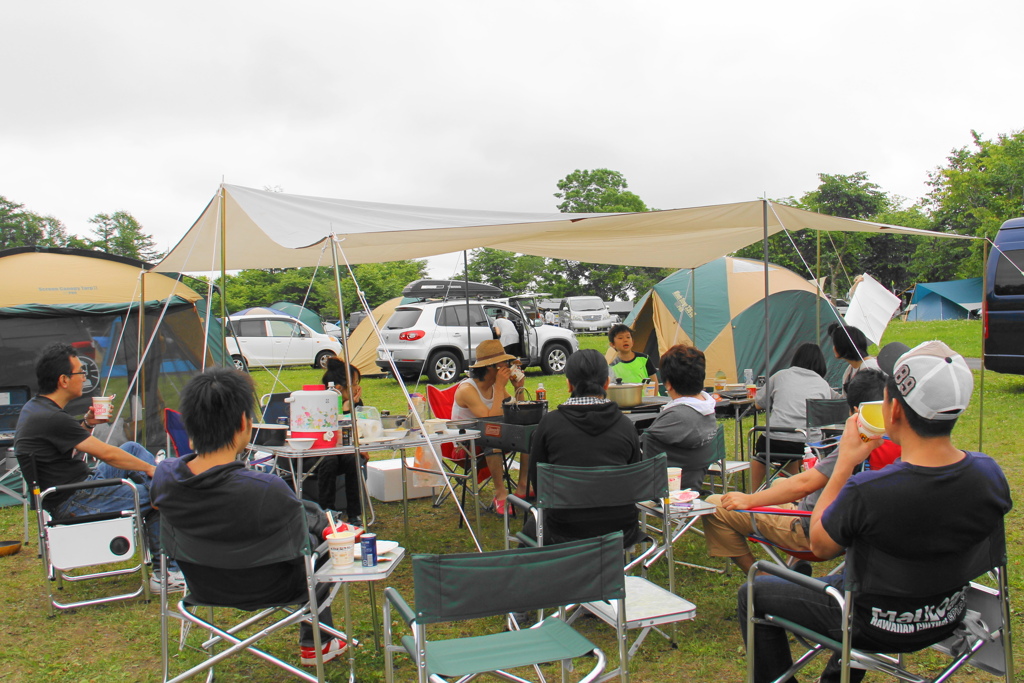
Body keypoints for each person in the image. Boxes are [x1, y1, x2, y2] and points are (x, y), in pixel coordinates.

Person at [740, 341, 1012, 683]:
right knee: (855, 580)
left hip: (869, 623)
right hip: (945, 615)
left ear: (893, 411)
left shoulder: (868, 490)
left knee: (752, 592)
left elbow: (820, 545)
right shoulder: (989, 475)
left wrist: (844, 462)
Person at [151, 367, 347, 667]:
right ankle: (317, 641)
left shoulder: (165, 478)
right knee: (321, 542)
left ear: (189, 429)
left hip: (203, 585)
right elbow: (300, 519)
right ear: (244, 423)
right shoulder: (265, 488)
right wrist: (327, 525)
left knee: (310, 524)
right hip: (276, 586)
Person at [14, 342, 183, 591]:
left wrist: (87, 423)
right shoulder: (51, 417)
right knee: (161, 494)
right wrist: (151, 470)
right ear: (63, 380)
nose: (84, 377)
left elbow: (64, 447)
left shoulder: (37, 408)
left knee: (132, 449)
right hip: (75, 501)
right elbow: (107, 454)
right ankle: (166, 574)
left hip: (75, 488)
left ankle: (165, 487)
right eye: (80, 372)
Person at [702, 368, 898, 573]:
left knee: (715, 505)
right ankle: (796, 566)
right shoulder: (898, 445)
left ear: (854, 411)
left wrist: (749, 500)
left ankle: (760, 576)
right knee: (779, 482)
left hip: (814, 530)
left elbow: (805, 485)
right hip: (857, 530)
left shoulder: (857, 445)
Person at [524, 349, 642, 546]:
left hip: (562, 529)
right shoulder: (626, 425)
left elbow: (539, 484)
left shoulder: (549, 424)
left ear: (569, 384)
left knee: (530, 528)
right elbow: (633, 479)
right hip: (620, 530)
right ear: (607, 383)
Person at [451, 339, 529, 515]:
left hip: (490, 434)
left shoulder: (495, 386)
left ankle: (523, 485)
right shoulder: (467, 389)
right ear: (491, 367)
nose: (508, 367)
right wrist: (500, 386)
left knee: (529, 433)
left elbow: (518, 413)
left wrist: (519, 389)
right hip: (465, 444)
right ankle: (500, 493)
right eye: (505, 363)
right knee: (493, 435)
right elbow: (491, 419)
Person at [751, 342, 835, 490]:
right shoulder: (823, 384)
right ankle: (793, 491)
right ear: (821, 363)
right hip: (806, 444)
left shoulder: (780, 376)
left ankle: (752, 491)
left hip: (773, 441)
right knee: (795, 450)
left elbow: (759, 403)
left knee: (761, 455)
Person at [640, 344, 717, 491]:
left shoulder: (677, 416)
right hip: (690, 483)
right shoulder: (707, 409)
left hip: (660, 487)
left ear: (668, 384)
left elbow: (638, 447)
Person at [315, 357, 364, 526]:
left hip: (343, 451)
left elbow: (360, 428)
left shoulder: (356, 403)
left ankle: (354, 514)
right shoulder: (319, 403)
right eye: (354, 383)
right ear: (338, 388)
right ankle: (328, 513)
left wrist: (350, 408)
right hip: (319, 453)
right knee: (330, 460)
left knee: (352, 457)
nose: (357, 388)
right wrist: (343, 409)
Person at [829, 322, 879, 394]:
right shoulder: (850, 370)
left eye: (835, 344)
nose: (833, 348)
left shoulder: (870, 369)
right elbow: (845, 398)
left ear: (843, 347)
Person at [607, 324, 658, 390]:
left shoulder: (644, 359)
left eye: (628, 337)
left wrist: (654, 396)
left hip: (649, 396)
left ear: (632, 342)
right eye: (620, 338)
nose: (625, 340)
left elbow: (654, 382)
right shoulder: (612, 367)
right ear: (612, 344)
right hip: (628, 396)